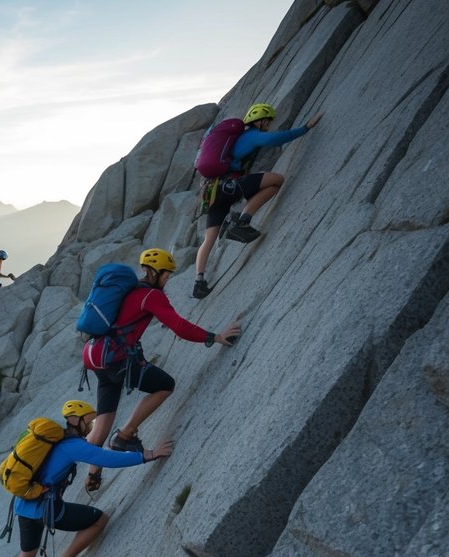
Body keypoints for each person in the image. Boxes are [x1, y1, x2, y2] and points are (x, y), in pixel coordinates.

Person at [81, 249, 240, 494]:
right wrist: (214, 337)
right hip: (118, 359)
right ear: (155, 272)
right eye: (166, 274)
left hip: (98, 358)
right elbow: (178, 326)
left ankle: (92, 474)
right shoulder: (151, 295)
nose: (168, 279)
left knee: (102, 424)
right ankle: (124, 435)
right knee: (165, 385)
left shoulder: (127, 291)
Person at [2, 402, 172, 557]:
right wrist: (146, 455)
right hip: (47, 507)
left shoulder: (52, 440)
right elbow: (106, 459)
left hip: (24, 504)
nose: (91, 425)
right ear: (75, 420)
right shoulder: (71, 445)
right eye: (89, 421)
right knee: (99, 519)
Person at [193, 103, 325, 298]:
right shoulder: (251, 135)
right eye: (268, 122)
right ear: (261, 120)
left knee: (209, 239)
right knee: (276, 180)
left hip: (213, 193)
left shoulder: (232, 141)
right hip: (229, 186)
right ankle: (243, 220)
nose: (269, 126)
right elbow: (274, 139)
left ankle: (199, 282)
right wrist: (305, 128)